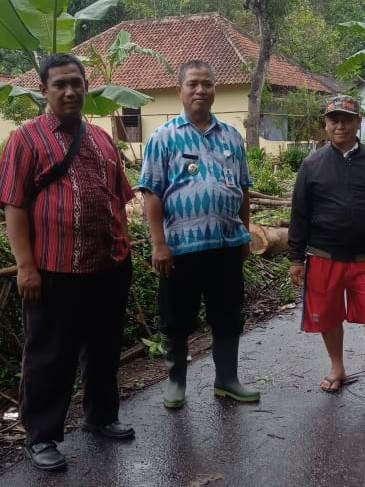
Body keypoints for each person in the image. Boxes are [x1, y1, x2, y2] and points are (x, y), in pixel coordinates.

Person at [0, 54, 135, 472]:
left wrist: (126, 250)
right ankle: (40, 436)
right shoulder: (26, 140)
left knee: (104, 349)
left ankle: (100, 417)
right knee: (49, 355)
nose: (70, 91)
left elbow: (119, 197)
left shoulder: (101, 138)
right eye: (59, 84)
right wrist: (26, 266)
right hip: (54, 270)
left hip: (108, 267)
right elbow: (15, 207)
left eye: (76, 83)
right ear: (45, 90)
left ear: (86, 85)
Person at [139, 59, 259, 409]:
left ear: (214, 90)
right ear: (180, 90)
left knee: (228, 313)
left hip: (226, 244)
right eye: (193, 84)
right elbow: (152, 193)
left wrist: (246, 233)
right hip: (180, 249)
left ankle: (227, 380)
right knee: (176, 317)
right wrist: (159, 244)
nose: (200, 90)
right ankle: (176, 382)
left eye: (206, 84)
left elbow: (244, 189)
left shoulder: (232, 137)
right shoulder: (164, 138)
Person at [289, 95, 365, 398]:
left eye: (347, 120)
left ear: (358, 123)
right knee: (327, 315)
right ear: (326, 125)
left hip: (364, 256)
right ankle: (337, 367)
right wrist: (296, 258)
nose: (340, 126)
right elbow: (299, 213)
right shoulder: (312, 164)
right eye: (334, 120)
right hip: (323, 256)